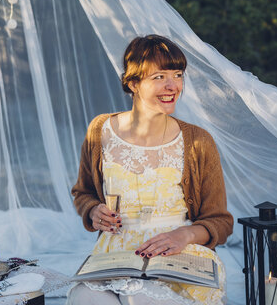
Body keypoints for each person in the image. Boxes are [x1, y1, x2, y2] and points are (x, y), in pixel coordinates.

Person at [68, 34, 233, 305]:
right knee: (87, 299)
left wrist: (185, 234)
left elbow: (220, 221)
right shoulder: (100, 131)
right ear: (133, 83)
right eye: (159, 77)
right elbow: (83, 193)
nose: (172, 86)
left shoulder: (197, 141)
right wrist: (93, 211)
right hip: (115, 256)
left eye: (177, 74)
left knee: (142, 300)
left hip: (175, 258)